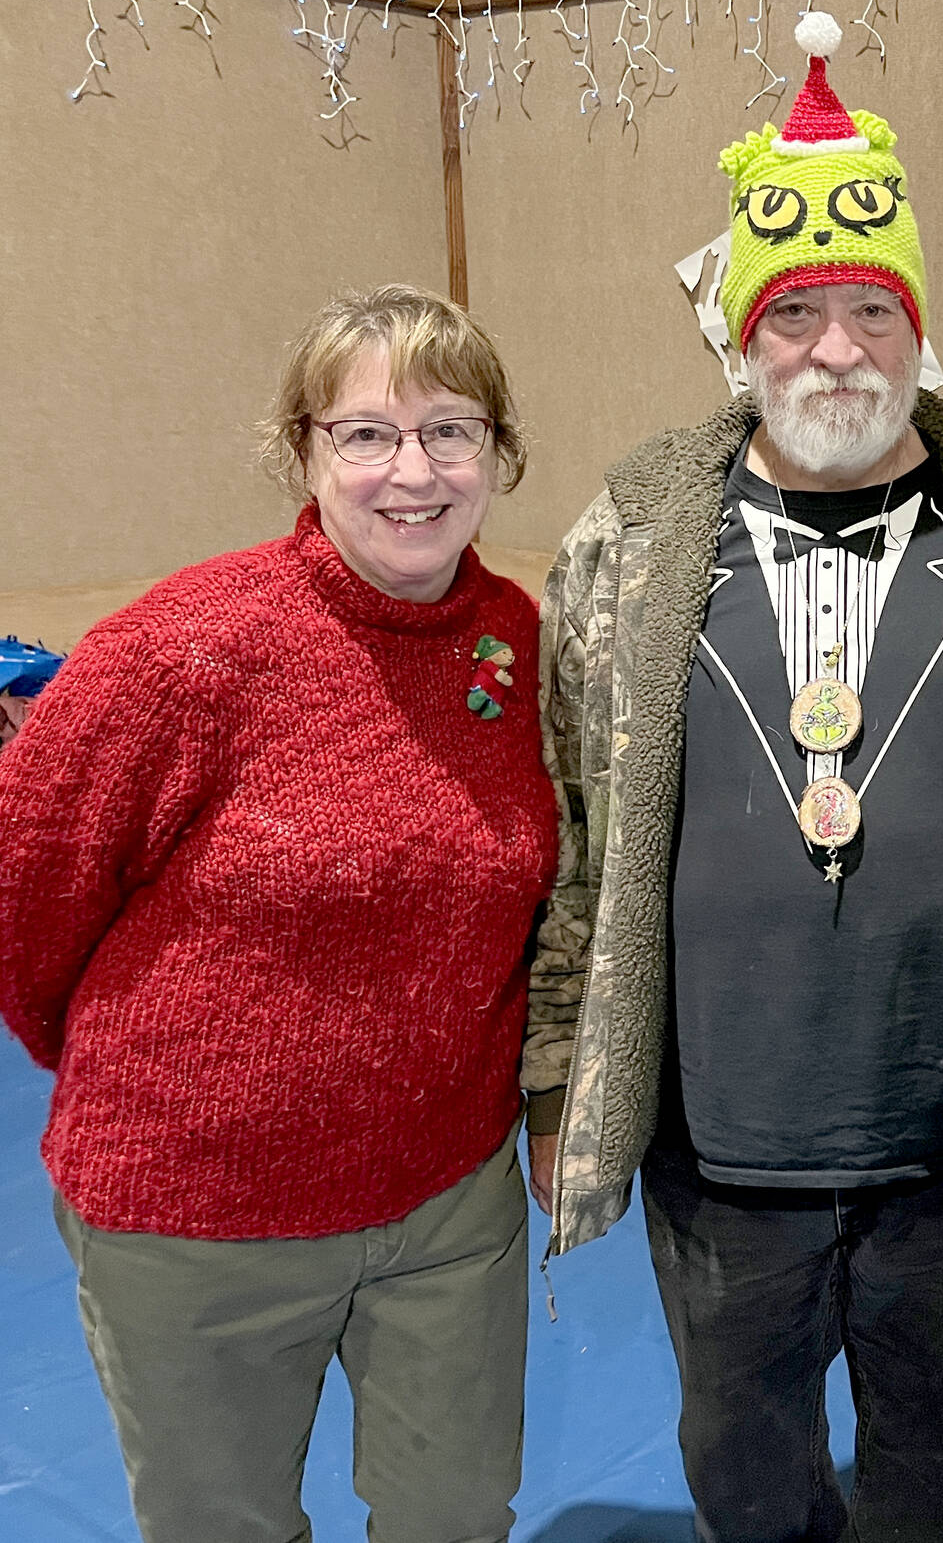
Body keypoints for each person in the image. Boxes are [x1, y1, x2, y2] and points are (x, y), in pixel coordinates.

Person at [519, 11, 943, 1543]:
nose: (835, 350)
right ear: (746, 336)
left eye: (870, 314)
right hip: (727, 1139)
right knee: (747, 1482)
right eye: (797, 316)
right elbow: (573, 825)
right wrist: (562, 1072)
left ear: (918, 329)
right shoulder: (629, 539)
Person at [0, 283, 558, 1543]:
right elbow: (22, 887)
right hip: (196, 1216)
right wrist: (150, 1083)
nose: (411, 470)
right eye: (365, 433)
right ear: (302, 451)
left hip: (443, 1203)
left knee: (455, 1515)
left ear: (498, 453)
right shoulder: (183, 652)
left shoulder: (520, 647)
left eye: (451, 429)